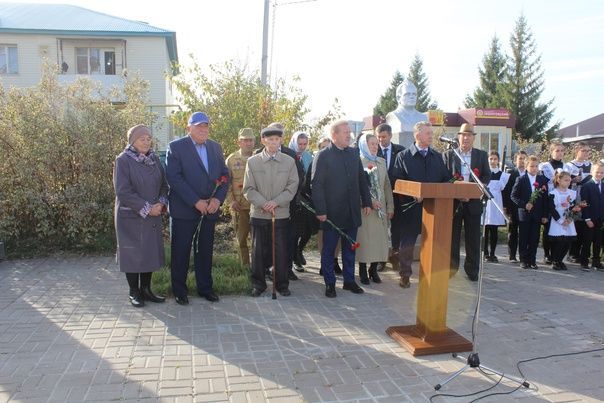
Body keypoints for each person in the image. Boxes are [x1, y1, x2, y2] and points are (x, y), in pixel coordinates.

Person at [165, 111, 230, 305]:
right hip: (184, 209)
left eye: (206, 126)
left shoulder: (215, 148)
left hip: (209, 209)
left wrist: (217, 200)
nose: (203, 129)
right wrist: (196, 201)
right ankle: (180, 290)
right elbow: (174, 178)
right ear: (189, 128)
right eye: (199, 126)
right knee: (181, 251)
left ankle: (205, 288)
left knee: (205, 251)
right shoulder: (176, 147)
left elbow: (225, 176)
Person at [312, 120, 372, 298]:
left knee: (350, 248)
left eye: (349, 132)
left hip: (352, 211)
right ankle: (330, 283)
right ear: (334, 135)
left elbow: (361, 179)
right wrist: (320, 210)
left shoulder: (354, 153)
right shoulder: (323, 156)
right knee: (329, 250)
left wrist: (367, 201)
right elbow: (317, 185)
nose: (349, 135)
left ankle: (349, 281)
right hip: (331, 213)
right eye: (345, 132)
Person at [113, 124, 168, 308]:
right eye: (141, 139)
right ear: (132, 141)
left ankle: (146, 289)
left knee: (149, 252)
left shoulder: (154, 159)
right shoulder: (123, 160)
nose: (146, 142)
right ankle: (133, 291)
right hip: (131, 216)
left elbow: (163, 184)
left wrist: (161, 203)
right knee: (133, 253)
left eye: (148, 139)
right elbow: (123, 191)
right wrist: (146, 207)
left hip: (153, 215)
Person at [392, 121, 451, 288]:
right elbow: (397, 182)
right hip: (411, 209)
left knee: (432, 245)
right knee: (408, 244)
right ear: (417, 135)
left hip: (433, 209)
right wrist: (412, 195)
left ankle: (431, 275)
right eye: (428, 133)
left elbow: (445, 179)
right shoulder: (403, 157)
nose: (431, 136)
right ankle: (405, 275)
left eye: (431, 133)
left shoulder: (437, 157)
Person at [244, 126, 299, 297]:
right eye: (270, 139)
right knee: (258, 250)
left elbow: (292, 186)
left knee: (281, 251)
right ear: (263, 141)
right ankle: (258, 284)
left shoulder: (289, 161)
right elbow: (248, 189)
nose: (274, 142)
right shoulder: (252, 162)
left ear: (281, 140)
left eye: (277, 139)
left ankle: (282, 284)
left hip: (280, 213)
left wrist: (276, 202)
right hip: (259, 214)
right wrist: (264, 203)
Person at [443, 123, 491, 281]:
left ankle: (472, 270)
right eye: (463, 135)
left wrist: (471, 194)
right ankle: (451, 269)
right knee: (452, 238)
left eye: (469, 135)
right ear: (458, 137)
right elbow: (444, 178)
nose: (466, 138)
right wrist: (458, 194)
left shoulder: (481, 155)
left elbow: (485, 177)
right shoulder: (449, 154)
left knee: (473, 238)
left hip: (473, 203)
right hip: (454, 203)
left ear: (473, 138)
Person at [356, 133, 394, 285]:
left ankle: (373, 269)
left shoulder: (381, 162)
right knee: (366, 241)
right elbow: (356, 187)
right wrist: (368, 201)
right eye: (371, 144)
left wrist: (390, 206)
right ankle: (363, 270)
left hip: (381, 209)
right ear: (364, 145)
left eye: (376, 144)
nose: (374, 147)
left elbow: (386, 186)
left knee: (379, 241)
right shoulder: (358, 162)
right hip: (365, 209)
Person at [375, 123, 405, 271]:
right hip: (379, 196)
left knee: (397, 229)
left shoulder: (400, 151)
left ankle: (395, 257)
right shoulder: (373, 151)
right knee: (381, 228)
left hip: (397, 196)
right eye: (378, 137)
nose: (381, 140)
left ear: (390, 136)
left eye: (384, 137)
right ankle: (381, 258)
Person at [511, 155, 549, 270]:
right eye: (531, 166)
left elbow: (545, 199)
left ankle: (532, 260)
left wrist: (544, 215)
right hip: (524, 214)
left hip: (537, 214)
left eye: (536, 166)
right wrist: (524, 204)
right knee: (524, 237)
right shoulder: (521, 179)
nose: (534, 168)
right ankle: (523, 259)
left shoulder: (542, 180)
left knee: (534, 238)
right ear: (526, 166)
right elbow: (513, 196)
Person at [225, 128, 256, 267]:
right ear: (239, 142)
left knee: (259, 240)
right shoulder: (231, 160)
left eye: (251, 140)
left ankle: (259, 268)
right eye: (245, 140)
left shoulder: (259, 157)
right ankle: (245, 267)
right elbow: (226, 183)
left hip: (258, 206)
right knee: (241, 239)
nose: (248, 143)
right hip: (240, 207)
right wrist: (231, 202)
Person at [289, 131, 314, 271]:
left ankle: (299, 249)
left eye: (305, 144)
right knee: (295, 231)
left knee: (308, 229)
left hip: (306, 196)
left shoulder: (308, 156)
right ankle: (294, 258)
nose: (302, 147)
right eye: (300, 144)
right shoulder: (288, 154)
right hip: (292, 197)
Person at [563, 142, 592, 262]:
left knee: (583, 223)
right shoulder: (569, 165)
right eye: (583, 150)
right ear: (576, 151)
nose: (586, 153)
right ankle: (572, 253)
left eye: (587, 151)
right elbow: (563, 181)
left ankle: (580, 252)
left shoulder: (590, 164)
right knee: (574, 222)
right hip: (574, 195)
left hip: (586, 196)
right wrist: (573, 180)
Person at [538, 141, 565, 264]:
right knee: (548, 227)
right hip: (548, 200)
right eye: (557, 150)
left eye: (562, 150)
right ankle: (547, 253)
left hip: (563, 201)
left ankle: (556, 254)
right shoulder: (545, 166)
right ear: (551, 152)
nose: (560, 153)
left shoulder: (567, 167)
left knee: (559, 226)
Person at [483, 151, 510, 262]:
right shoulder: (484, 174)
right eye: (491, 159)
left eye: (495, 159)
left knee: (494, 230)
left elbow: (504, 191)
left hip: (496, 203)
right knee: (485, 229)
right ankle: (485, 253)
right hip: (485, 203)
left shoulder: (503, 175)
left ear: (498, 160)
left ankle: (493, 253)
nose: (493, 161)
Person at [547, 171, 577, 271]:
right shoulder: (553, 193)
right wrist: (560, 220)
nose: (568, 182)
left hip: (568, 220)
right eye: (566, 180)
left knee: (567, 241)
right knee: (559, 241)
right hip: (558, 219)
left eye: (569, 180)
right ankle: (555, 260)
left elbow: (574, 207)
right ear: (559, 180)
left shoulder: (572, 193)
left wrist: (570, 218)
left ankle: (560, 260)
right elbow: (551, 209)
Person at [385, 79, 427, 148]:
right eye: (407, 94)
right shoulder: (393, 116)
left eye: (414, 94)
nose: (412, 96)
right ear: (398, 98)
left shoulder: (423, 117)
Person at [502, 151, 527, 262]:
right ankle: (512, 255)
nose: (522, 161)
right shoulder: (511, 174)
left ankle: (524, 254)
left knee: (524, 232)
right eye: (520, 158)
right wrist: (506, 206)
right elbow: (506, 191)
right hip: (513, 207)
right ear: (515, 160)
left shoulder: (530, 173)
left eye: (524, 158)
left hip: (526, 208)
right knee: (513, 231)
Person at [579, 162, 604, 271]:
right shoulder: (586, 186)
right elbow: (584, 204)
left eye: (602, 172)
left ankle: (596, 261)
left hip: (600, 218)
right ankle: (584, 261)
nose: (599, 174)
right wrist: (587, 218)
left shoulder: (603, 185)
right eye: (597, 172)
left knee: (598, 241)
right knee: (587, 240)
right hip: (589, 218)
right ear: (591, 172)